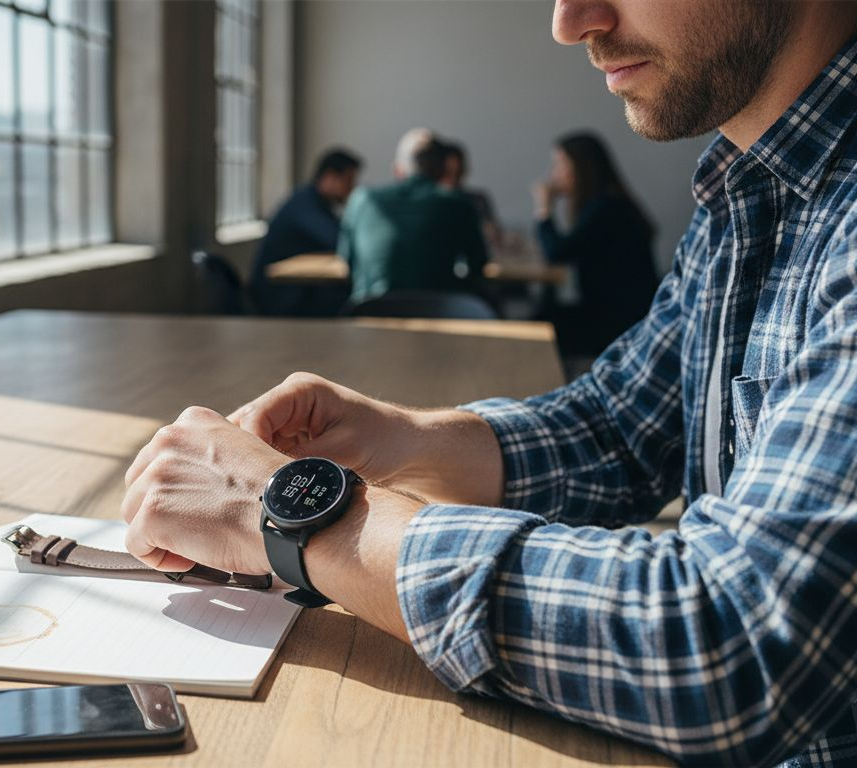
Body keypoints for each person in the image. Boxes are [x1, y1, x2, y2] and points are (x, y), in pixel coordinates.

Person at [120, 1, 857, 765]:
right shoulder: (751, 183)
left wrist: (295, 513)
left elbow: (731, 645)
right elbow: (624, 426)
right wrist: (410, 438)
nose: (570, 23)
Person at [533, 132, 659, 355]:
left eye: (560, 165)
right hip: (617, 314)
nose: (554, 175)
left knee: (536, 327)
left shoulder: (606, 208)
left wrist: (544, 208)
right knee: (541, 317)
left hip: (618, 322)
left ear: (580, 168)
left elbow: (557, 252)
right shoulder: (608, 203)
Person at [338, 136, 489, 305]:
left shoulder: (362, 199)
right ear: (443, 169)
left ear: (398, 168)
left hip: (370, 310)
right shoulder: (457, 203)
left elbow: (347, 261)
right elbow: (478, 264)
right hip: (437, 312)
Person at [248, 148, 363, 316]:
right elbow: (337, 239)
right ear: (329, 176)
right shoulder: (305, 204)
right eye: (348, 180)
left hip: (294, 290)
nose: (352, 188)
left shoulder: (317, 203)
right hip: (278, 296)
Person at [439, 141, 501, 248]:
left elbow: (494, 237)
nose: (453, 179)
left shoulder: (477, 200)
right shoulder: (430, 205)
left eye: (457, 173)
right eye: (448, 173)